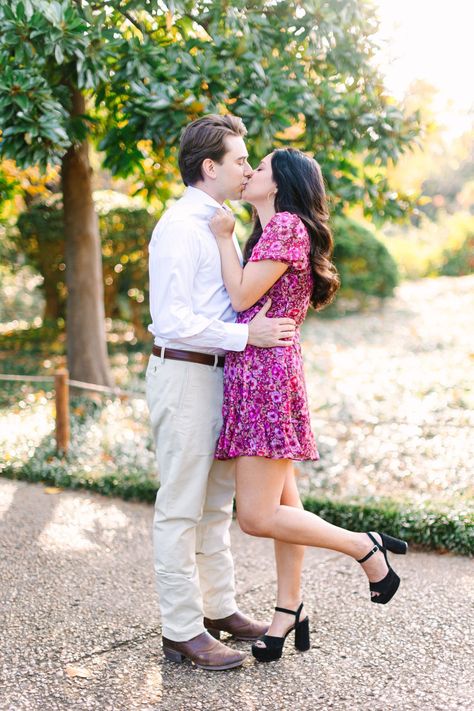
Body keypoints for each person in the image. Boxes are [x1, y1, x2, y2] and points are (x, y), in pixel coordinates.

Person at [209, 147, 408, 663]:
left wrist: (223, 239)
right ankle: (289, 609)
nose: (251, 173)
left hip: (267, 379)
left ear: (281, 183)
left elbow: (239, 296)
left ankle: (364, 546)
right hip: (262, 373)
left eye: (263, 167)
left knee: (255, 516)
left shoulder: (285, 229)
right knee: (286, 506)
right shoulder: (275, 231)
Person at [145, 115, 298, 671]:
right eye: (239, 160)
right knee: (181, 507)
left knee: (214, 507)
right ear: (209, 167)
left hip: (221, 377)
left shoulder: (222, 225)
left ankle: (220, 609)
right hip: (185, 373)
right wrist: (245, 335)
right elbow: (172, 318)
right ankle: (182, 630)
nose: (246, 168)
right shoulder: (180, 227)